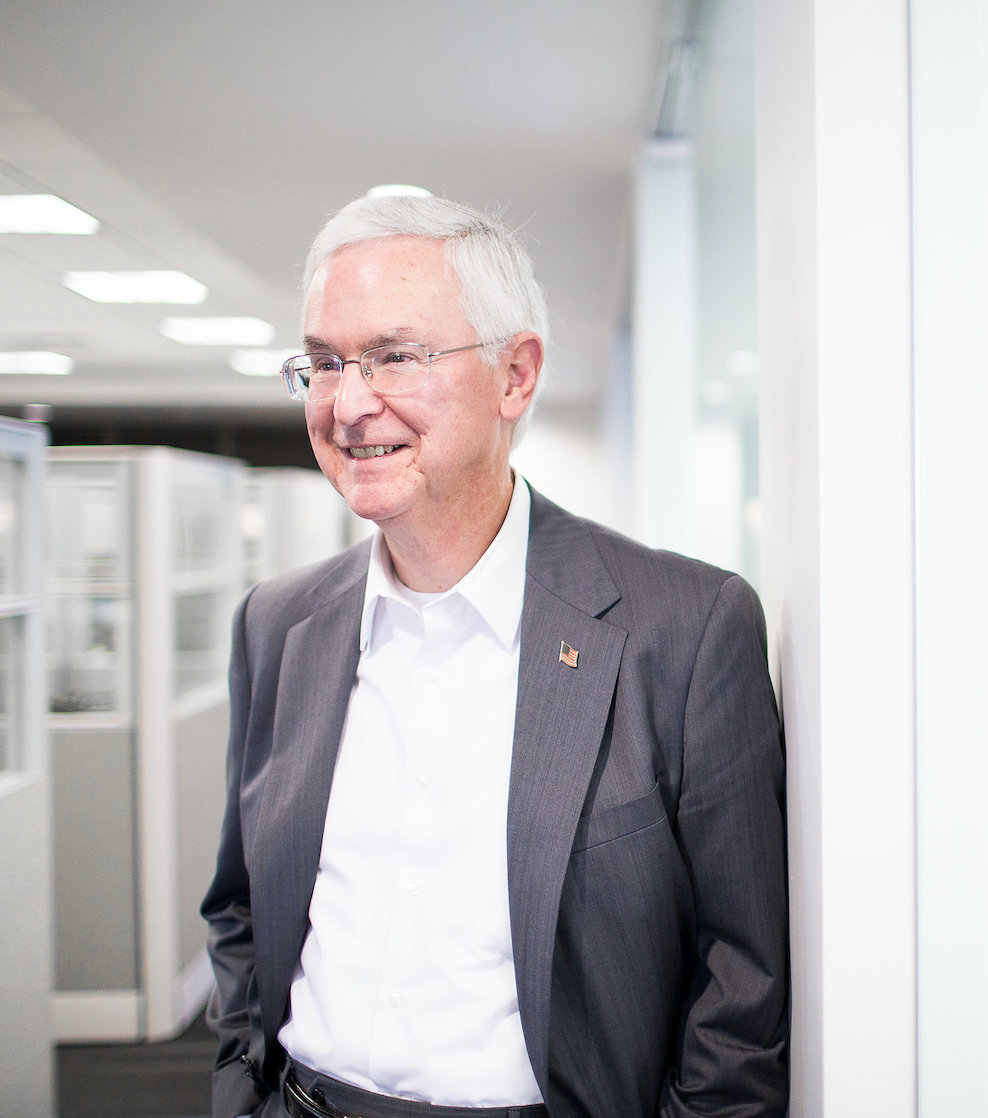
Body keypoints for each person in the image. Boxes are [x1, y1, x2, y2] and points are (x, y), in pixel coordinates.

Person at [202, 193, 788, 1118]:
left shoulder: (684, 629)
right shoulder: (277, 627)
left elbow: (742, 983)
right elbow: (240, 907)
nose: (351, 403)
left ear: (515, 376)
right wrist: (244, 1088)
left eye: (396, 355)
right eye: (323, 363)